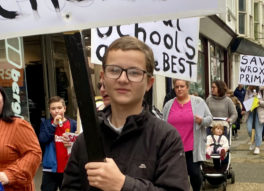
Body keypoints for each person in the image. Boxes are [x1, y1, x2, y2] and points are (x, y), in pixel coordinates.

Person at [62, 36, 189, 190]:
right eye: (114, 70)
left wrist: (123, 184)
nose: (122, 79)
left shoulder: (166, 138)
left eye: (134, 73)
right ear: (103, 77)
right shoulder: (85, 142)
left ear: (149, 83)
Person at [163, 79, 212, 191]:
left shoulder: (198, 102)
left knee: (195, 174)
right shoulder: (169, 105)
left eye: (182, 86)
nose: (179, 89)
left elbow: (210, 119)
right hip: (174, 149)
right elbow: (163, 122)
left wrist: (202, 121)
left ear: (187, 87)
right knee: (177, 177)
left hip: (192, 147)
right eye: (177, 87)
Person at [38, 96, 77, 191]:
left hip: (68, 168)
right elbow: (42, 139)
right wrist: (53, 125)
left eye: (59, 108)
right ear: (49, 110)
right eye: (53, 108)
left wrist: (75, 138)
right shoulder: (46, 124)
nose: (56, 111)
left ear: (64, 108)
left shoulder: (73, 124)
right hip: (51, 169)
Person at [244, 86, 264, 155]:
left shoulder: (262, 90)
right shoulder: (248, 90)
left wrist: (259, 102)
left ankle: (257, 146)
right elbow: (245, 102)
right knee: (249, 129)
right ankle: (253, 141)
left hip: (259, 114)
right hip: (250, 113)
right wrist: (251, 100)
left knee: (258, 131)